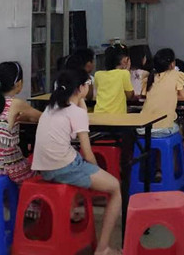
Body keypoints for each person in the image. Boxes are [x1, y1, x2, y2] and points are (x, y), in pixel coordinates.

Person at [32, 69, 122, 255]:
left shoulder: (50, 108)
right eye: (88, 84)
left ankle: (72, 210)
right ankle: (103, 248)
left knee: (75, 160)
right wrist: (97, 171)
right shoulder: (76, 113)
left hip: (44, 170)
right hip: (64, 168)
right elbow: (87, 153)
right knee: (115, 187)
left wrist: (80, 99)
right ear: (81, 88)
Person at [0, 61, 41, 183]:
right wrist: (25, 117)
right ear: (18, 83)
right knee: (38, 174)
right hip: (7, 167)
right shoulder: (15, 103)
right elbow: (42, 117)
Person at [141, 48, 184, 136]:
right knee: (180, 127)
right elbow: (183, 96)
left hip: (143, 128)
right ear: (172, 64)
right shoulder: (176, 75)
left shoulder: (150, 77)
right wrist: (171, 96)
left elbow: (145, 95)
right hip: (164, 128)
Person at [93, 45, 134, 114]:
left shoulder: (98, 75)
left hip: (98, 114)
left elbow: (95, 95)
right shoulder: (124, 74)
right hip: (116, 116)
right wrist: (127, 69)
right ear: (125, 60)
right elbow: (130, 95)